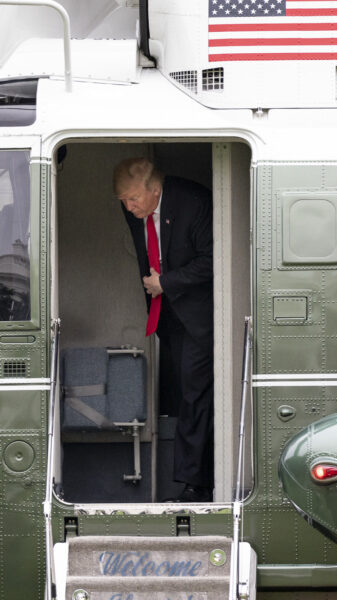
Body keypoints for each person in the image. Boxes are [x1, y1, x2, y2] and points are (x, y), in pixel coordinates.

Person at [114, 157, 214, 502]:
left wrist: (165, 282)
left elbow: (212, 260)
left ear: (155, 190)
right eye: (124, 201)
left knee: (194, 396)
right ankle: (194, 481)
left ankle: (195, 487)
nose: (129, 208)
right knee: (186, 393)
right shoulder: (134, 208)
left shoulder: (194, 202)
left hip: (200, 319)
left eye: (134, 199)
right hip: (167, 317)